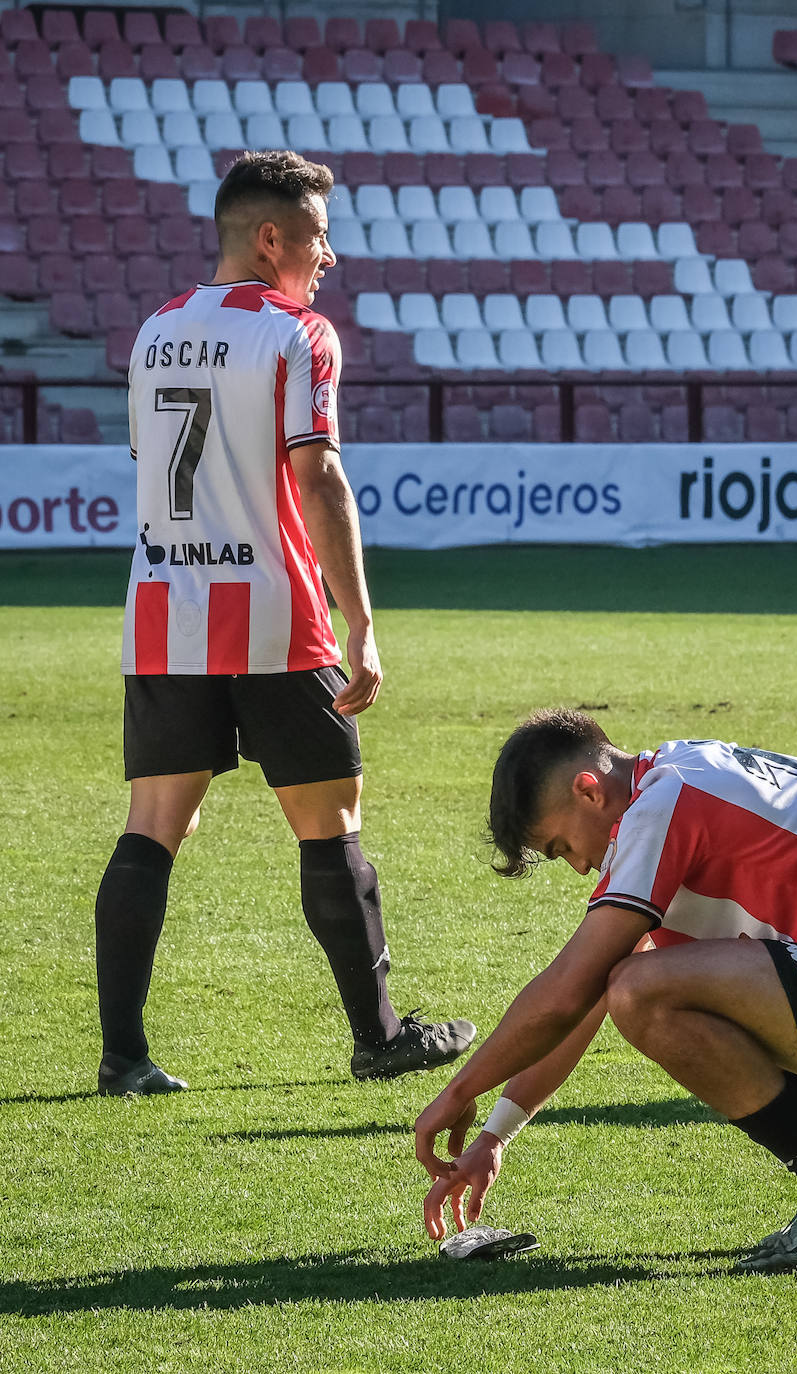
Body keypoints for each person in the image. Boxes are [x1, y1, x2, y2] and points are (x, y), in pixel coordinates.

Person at [94, 150, 475, 1097]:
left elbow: (156, 462)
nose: (328, 254)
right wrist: (361, 621)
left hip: (164, 613)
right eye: (316, 234)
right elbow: (318, 475)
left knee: (150, 829)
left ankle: (123, 1056)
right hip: (272, 617)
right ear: (271, 238)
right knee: (330, 825)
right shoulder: (299, 333)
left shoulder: (153, 331)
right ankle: (379, 1037)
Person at [415, 708, 797, 1273]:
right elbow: (585, 1001)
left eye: (561, 846)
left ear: (589, 791)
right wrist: (496, 1134)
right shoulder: (674, 779)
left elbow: (571, 993)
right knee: (633, 982)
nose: (575, 866)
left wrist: (460, 1091)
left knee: (641, 992)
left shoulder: (662, 807)